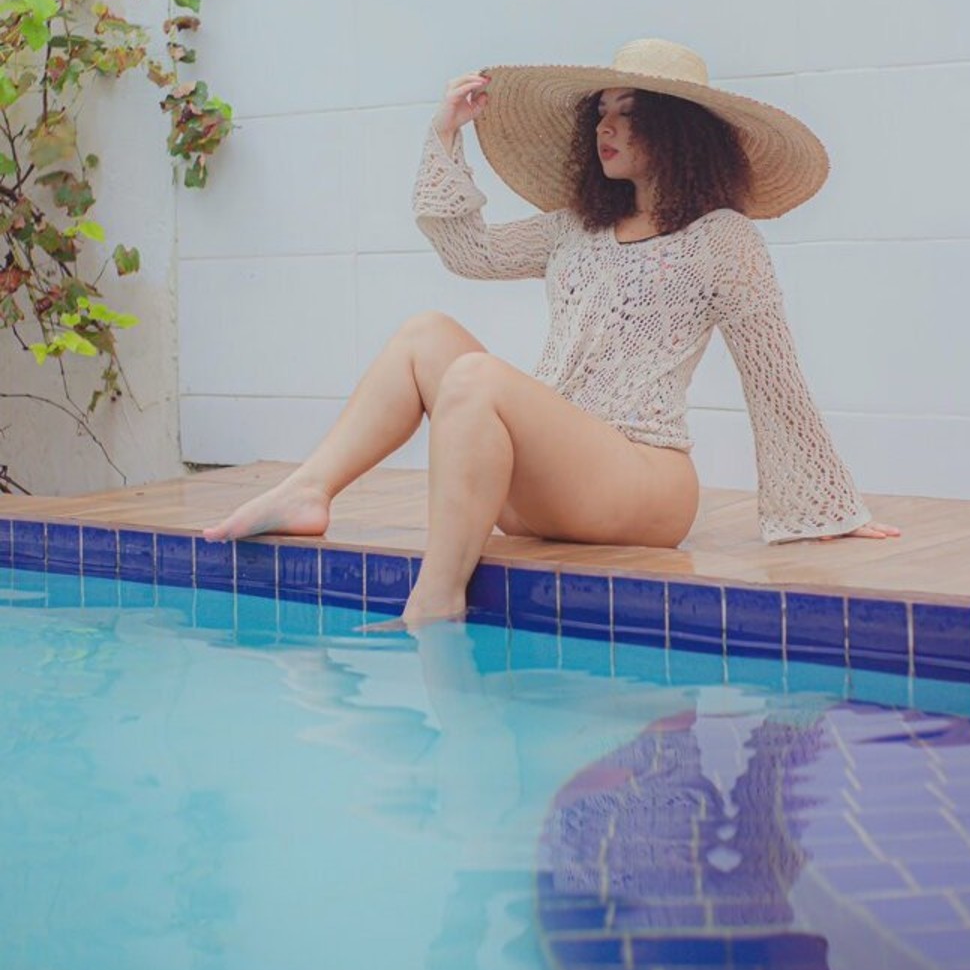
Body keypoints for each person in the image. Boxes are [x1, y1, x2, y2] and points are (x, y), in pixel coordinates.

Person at [205, 38, 899, 625]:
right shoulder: (577, 229)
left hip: (644, 481)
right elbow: (468, 252)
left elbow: (773, 378)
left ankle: (436, 599)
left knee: (475, 378)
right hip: (551, 477)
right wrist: (445, 134)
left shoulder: (723, 239)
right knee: (425, 334)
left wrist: (825, 505)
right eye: (601, 112)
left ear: (678, 131)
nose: (606, 127)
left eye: (629, 113)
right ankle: (311, 489)